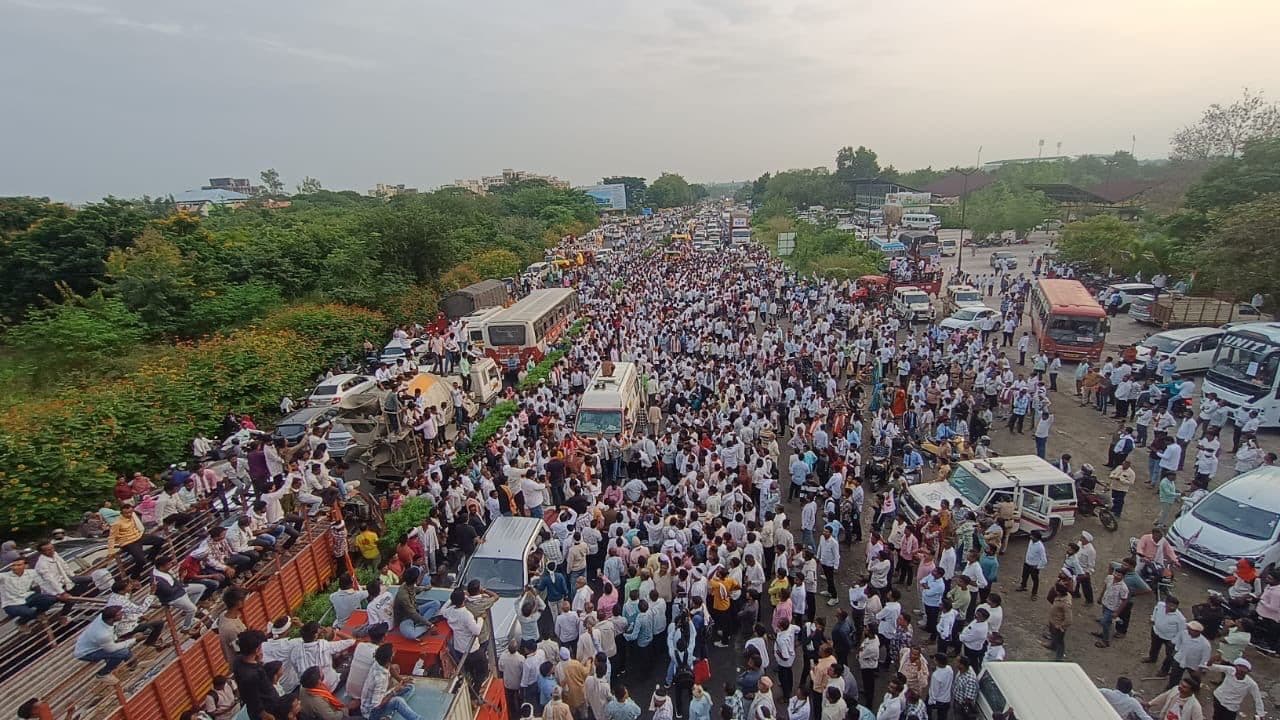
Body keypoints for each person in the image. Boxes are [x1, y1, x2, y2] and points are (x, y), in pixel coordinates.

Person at [362, 643, 425, 720]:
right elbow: (376, 706)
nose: (395, 651)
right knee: (398, 701)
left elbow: (391, 667)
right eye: (393, 652)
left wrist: (402, 680)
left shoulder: (379, 662)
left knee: (409, 687)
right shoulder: (381, 679)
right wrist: (394, 691)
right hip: (372, 713)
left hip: (380, 697)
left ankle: (389, 715)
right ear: (390, 658)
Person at [73, 606, 136, 683]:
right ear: (112, 618)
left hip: (95, 644)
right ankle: (103, 674)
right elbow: (111, 649)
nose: (122, 614)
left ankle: (132, 665)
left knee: (123, 645)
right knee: (123, 652)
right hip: (86, 653)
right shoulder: (103, 634)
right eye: (119, 614)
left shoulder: (102, 618)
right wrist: (134, 640)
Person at [1016, 531, 1047, 600]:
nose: (1030, 536)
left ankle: (1034, 594)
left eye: (1032, 536)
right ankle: (1023, 586)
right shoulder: (1031, 541)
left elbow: (1044, 560)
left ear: (1037, 538)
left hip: (1034, 566)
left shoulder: (1040, 547)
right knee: (1024, 576)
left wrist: (1038, 567)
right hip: (1027, 563)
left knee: (1035, 580)